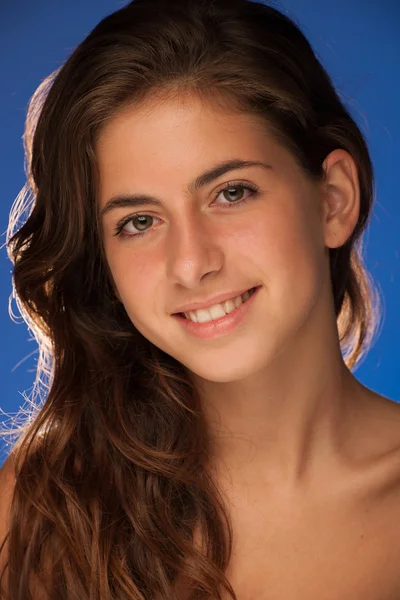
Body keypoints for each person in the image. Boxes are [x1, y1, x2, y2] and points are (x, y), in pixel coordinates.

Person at [1, 0, 399, 598]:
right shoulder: (40, 509)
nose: (191, 263)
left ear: (333, 199)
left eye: (231, 192)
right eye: (139, 221)